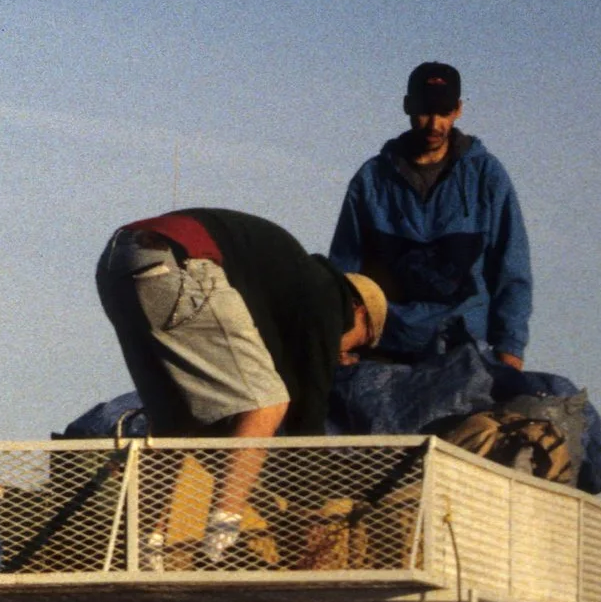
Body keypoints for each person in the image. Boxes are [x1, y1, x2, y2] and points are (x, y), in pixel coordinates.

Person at [95, 209, 385, 565]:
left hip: (118, 264)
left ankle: (147, 547)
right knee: (266, 403)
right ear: (357, 310)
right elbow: (307, 411)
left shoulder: (284, 285)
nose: (346, 357)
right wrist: (307, 512)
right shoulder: (328, 298)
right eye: (357, 344)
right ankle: (223, 537)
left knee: (175, 422)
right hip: (178, 260)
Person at [329, 62, 534, 365]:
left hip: (466, 354)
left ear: (459, 110)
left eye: (444, 112)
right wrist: (337, 340)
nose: (434, 124)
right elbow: (345, 274)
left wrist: (510, 354)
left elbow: (512, 271)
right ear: (408, 106)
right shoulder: (371, 179)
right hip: (385, 352)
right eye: (425, 111)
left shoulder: (487, 176)